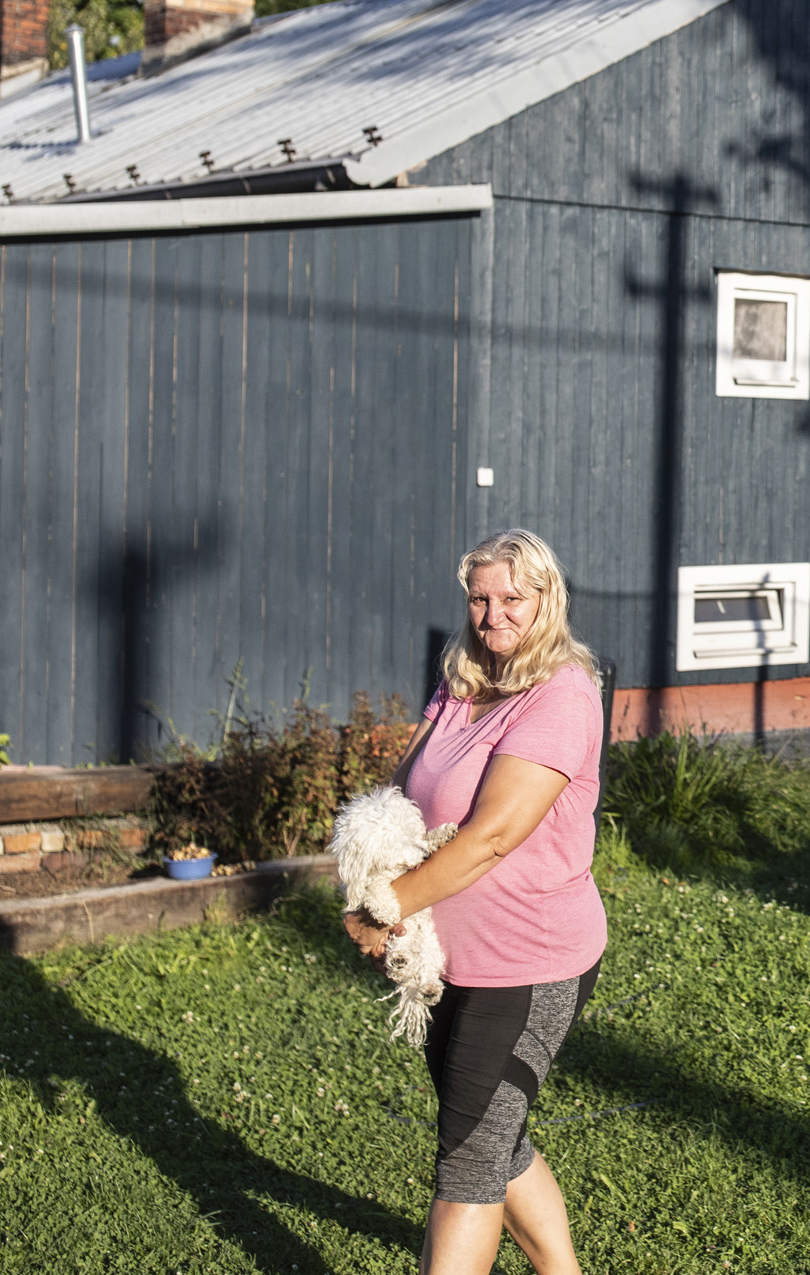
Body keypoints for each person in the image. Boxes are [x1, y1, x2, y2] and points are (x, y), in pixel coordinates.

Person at [344, 529, 608, 1275]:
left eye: (512, 599)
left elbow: (491, 836)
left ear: (546, 600)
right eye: (481, 598)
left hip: (528, 966)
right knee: (495, 1136)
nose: (494, 616)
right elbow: (408, 788)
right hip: (451, 960)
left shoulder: (561, 696)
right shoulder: (463, 678)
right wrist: (370, 860)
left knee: (466, 1162)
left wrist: (383, 907)